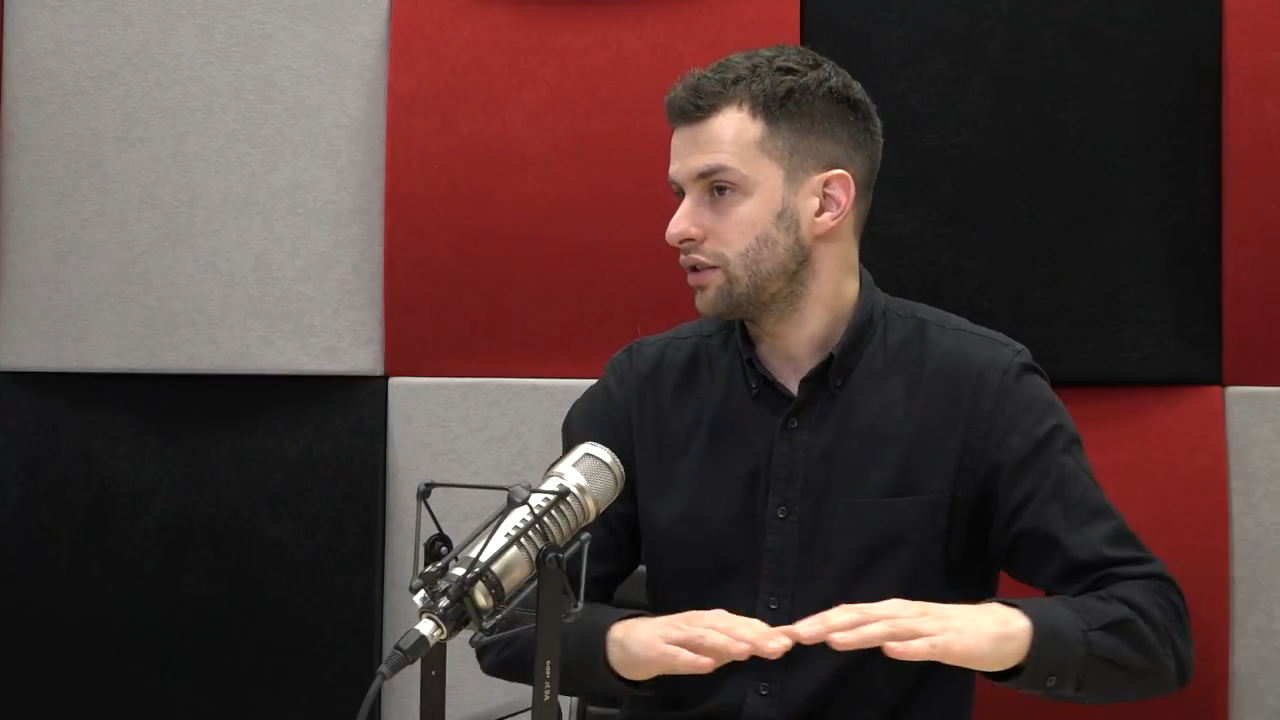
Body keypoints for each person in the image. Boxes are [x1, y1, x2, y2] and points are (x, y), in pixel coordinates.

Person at [474, 43, 1193, 719]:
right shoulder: (642, 389)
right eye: (679, 192)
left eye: (718, 189)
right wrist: (620, 644)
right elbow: (500, 615)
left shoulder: (981, 388)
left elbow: (1150, 626)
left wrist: (998, 630)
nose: (678, 228)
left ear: (826, 203)